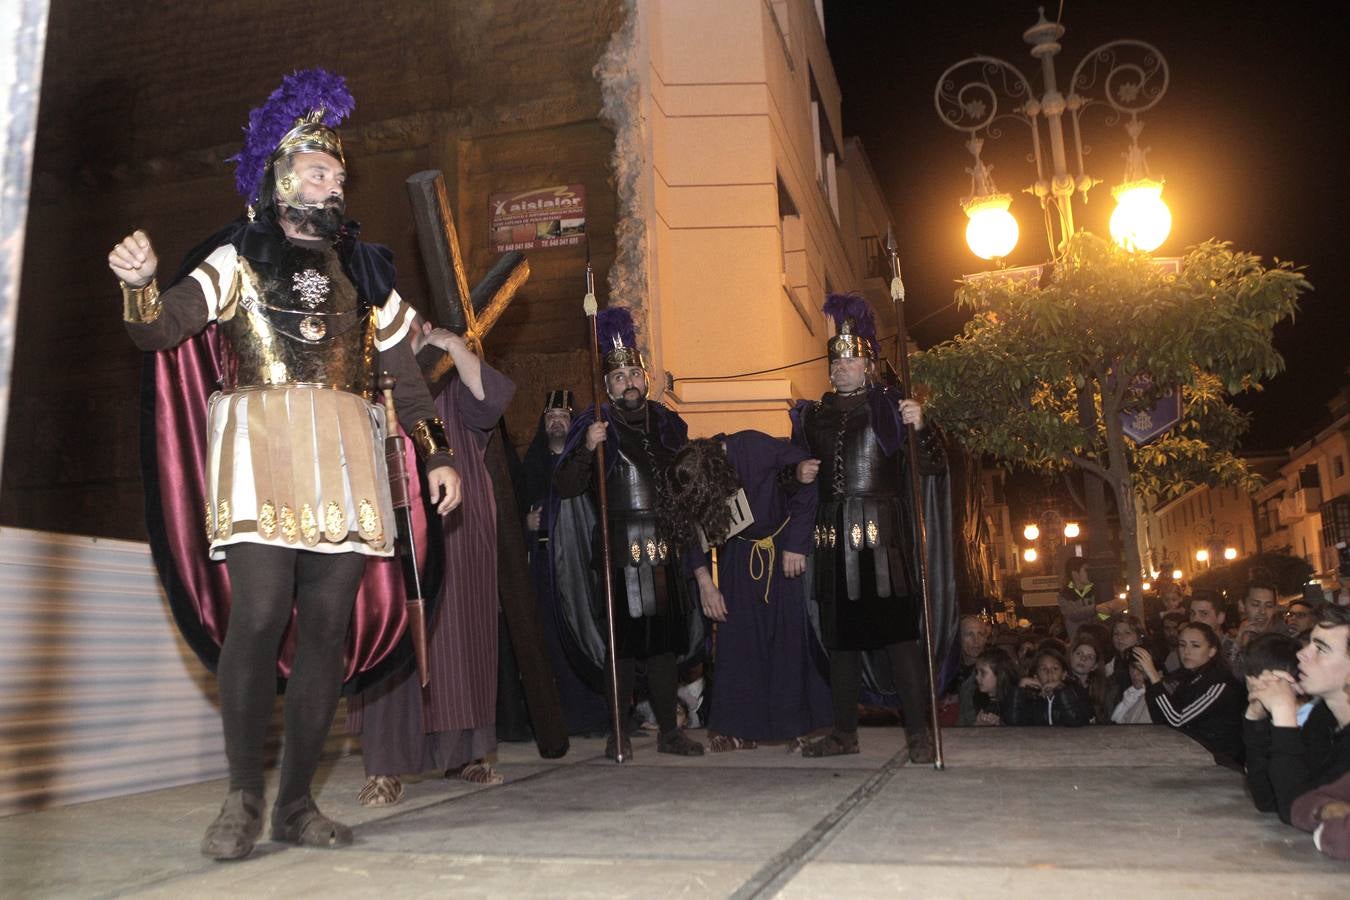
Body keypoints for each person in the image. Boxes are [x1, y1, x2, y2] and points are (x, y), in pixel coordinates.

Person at [107, 70, 462, 859]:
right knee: (261, 613)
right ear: (277, 175)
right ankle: (242, 797)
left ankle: (296, 805)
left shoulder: (366, 269)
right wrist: (137, 290)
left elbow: (403, 375)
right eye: (313, 167)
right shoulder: (237, 255)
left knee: (329, 627)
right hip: (262, 448)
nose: (329, 179)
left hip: (345, 451)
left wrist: (434, 455)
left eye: (336, 171)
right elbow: (161, 331)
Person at [350, 317, 516, 805]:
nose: (416, 329)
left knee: (461, 645)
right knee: (392, 642)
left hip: (458, 524)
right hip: (396, 522)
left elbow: (493, 400)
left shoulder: (453, 389)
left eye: (422, 324)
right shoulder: (377, 379)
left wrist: (455, 346)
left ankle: (465, 757)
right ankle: (383, 768)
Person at [789, 293, 953, 763]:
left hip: (882, 538)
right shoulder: (812, 417)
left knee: (899, 639)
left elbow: (933, 468)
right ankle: (845, 733)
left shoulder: (890, 409)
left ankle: (919, 734)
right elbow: (794, 477)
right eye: (835, 363)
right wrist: (794, 473)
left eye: (850, 361)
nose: (840, 369)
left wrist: (921, 427)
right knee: (840, 641)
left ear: (867, 364)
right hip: (831, 536)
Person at [552, 307, 703, 759]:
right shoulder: (593, 424)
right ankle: (617, 731)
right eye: (618, 379)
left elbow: (686, 488)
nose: (628, 383)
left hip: (666, 547)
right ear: (608, 386)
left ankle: (669, 733)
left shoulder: (669, 424)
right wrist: (586, 448)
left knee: (661, 648)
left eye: (633, 374)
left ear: (645, 377)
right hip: (617, 551)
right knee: (621, 648)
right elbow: (566, 486)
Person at [664, 436, 831, 750]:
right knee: (738, 638)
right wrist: (705, 584)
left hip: (783, 546)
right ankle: (737, 728)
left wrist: (797, 543)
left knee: (787, 635)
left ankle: (794, 725)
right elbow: (688, 529)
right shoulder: (691, 473)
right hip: (738, 553)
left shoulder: (756, 448)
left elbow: (807, 479)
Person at [519, 391, 611, 737]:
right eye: (550, 416)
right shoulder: (531, 466)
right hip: (543, 567)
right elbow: (515, 511)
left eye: (563, 415)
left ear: (573, 424)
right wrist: (524, 523)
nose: (556, 420)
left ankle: (595, 715)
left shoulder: (586, 465)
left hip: (582, 569)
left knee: (587, 635)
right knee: (551, 643)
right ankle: (558, 717)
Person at [1244, 605, 1350, 823]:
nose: (1302, 653)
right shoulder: (1323, 718)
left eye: (1320, 649)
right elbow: (1268, 800)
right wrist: (1257, 719)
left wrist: (1284, 713)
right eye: (1310, 642)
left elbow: (1295, 808)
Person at [1135, 622, 1246, 768]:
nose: (1186, 651)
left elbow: (1177, 720)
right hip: (1192, 759)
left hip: (1220, 766)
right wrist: (1150, 681)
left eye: (1195, 645)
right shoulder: (1186, 677)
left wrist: (1154, 677)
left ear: (1212, 651)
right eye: (1182, 645)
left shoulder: (1220, 684)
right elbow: (1162, 720)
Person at [1290, 674, 1350, 860]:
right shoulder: (1321, 717)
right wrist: (1324, 808)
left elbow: (1342, 839)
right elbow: (1300, 803)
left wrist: (1324, 829)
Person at [1004, 647, 1093, 727]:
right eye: (1043, 669)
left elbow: (1076, 721)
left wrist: (1062, 691)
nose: (1050, 673)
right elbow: (1013, 723)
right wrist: (1021, 688)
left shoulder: (1075, 693)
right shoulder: (1030, 698)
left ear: (1064, 674)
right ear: (1036, 676)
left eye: (1055, 669)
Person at [942, 615, 992, 726]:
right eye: (970, 634)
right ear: (958, 639)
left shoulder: (994, 671)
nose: (976, 640)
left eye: (981, 634)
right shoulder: (946, 672)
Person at [1233, 579, 1281, 672]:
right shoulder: (1231, 643)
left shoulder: (1287, 642)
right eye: (1255, 605)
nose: (1262, 611)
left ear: (1275, 608)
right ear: (1242, 606)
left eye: (1269, 606)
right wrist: (1239, 644)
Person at [963, 647, 1020, 727]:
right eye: (977, 672)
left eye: (983, 673)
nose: (977, 677)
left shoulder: (1014, 700)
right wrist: (978, 724)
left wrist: (1000, 724)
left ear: (1000, 674)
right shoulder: (974, 697)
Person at [1067, 634, 1110, 723]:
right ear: (1071, 656)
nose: (1083, 658)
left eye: (1090, 657)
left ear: (1095, 666)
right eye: (1079, 653)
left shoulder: (1102, 690)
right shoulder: (1060, 686)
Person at [1058, 557, 1101, 641]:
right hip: (1078, 643)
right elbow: (1073, 614)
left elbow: (1104, 615)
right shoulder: (1065, 594)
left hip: (1097, 641)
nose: (1089, 573)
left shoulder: (1096, 591)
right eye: (1086, 570)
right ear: (1075, 573)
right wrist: (1095, 608)